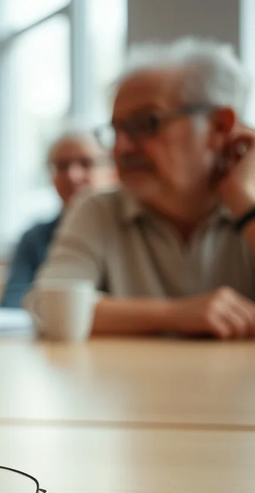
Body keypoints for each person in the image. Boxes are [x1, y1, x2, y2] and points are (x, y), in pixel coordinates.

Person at [30, 37, 255, 339]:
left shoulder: (248, 205)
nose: (121, 147)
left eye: (146, 123)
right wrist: (178, 314)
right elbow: (48, 305)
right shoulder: (97, 208)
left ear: (219, 126)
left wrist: (245, 201)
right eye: (116, 130)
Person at [0, 131, 115, 308]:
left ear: (113, 171)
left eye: (86, 163)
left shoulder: (131, 231)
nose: (72, 175)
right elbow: (12, 303)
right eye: (62, 166)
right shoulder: (34, 238)